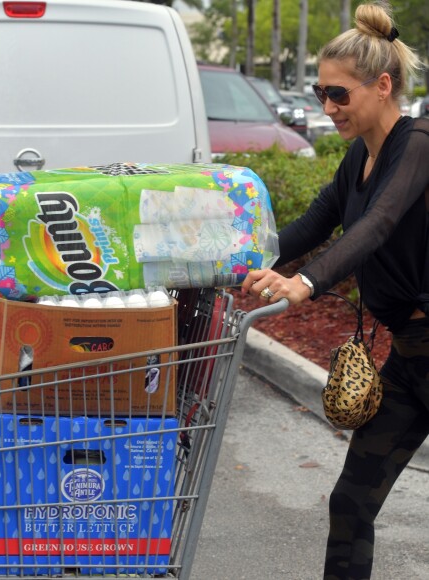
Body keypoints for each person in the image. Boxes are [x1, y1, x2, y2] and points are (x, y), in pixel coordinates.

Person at [240, 2, 429, 579]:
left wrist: (307, 282)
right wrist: (236, 265)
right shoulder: (359, 158)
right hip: (410, 357)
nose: (327, 107)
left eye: (339, 95)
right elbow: (309, 226)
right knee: (351, 502)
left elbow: (379, 225)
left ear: (382, 85)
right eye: (322, 93)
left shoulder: (418, 144)